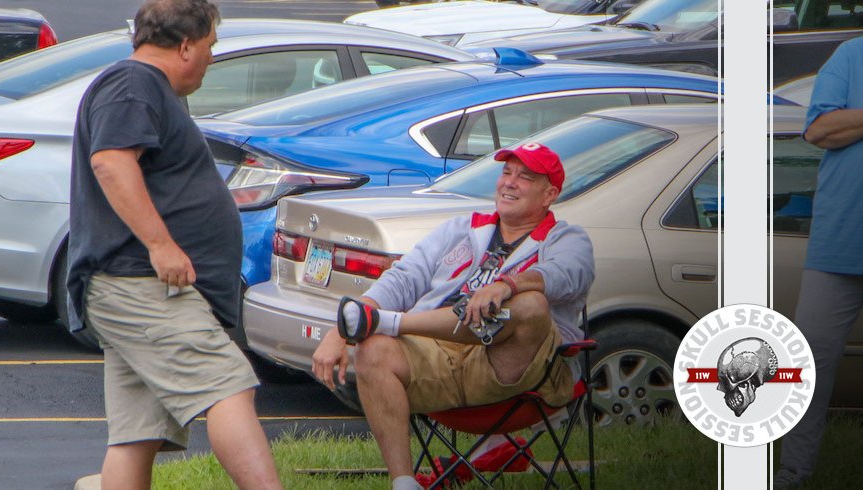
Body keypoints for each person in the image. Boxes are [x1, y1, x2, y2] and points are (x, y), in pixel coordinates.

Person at [66, 1, 281, 488]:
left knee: (136, 434)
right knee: (229, 387)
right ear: (186, 45)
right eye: (210, 46)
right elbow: (112, 163)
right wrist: (161, 245)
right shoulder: (133, 84)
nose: (211, 57)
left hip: (132, 288)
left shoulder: (145, 88)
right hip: (142, 285)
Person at [312, 142, 595, 490]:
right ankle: (404, 483)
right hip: (440, 356)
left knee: (531, 304)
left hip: (513, 370)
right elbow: (402, 280)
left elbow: (568, 274)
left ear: (549, 194)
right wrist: (340, 332)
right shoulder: (461, 229)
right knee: (372, 350)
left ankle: (392, 323)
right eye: (506, 172)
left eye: (525, 177)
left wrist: (508, 284)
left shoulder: (566, 238)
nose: (509, 182)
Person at [775, 37, 863, 489]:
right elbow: (819, 130)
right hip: (841, 244)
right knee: (809, 363)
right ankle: (794, 472)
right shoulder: (852, 55)